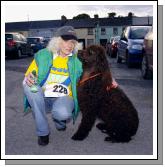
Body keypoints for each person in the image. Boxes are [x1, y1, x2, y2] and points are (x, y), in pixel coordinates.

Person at [23, 26, 118, 146]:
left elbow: (97, 68)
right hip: (43, 96)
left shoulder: (78, 60)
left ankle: (60, 121)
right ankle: (43, 133)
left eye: (73, 42)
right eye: (66, 41)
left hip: (65, 98)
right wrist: (29, 79)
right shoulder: (43, 55)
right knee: (29, 88)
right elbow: (29, 76)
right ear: (57, 41)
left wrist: (110, 79)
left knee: (61, 113)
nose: (69, 45)